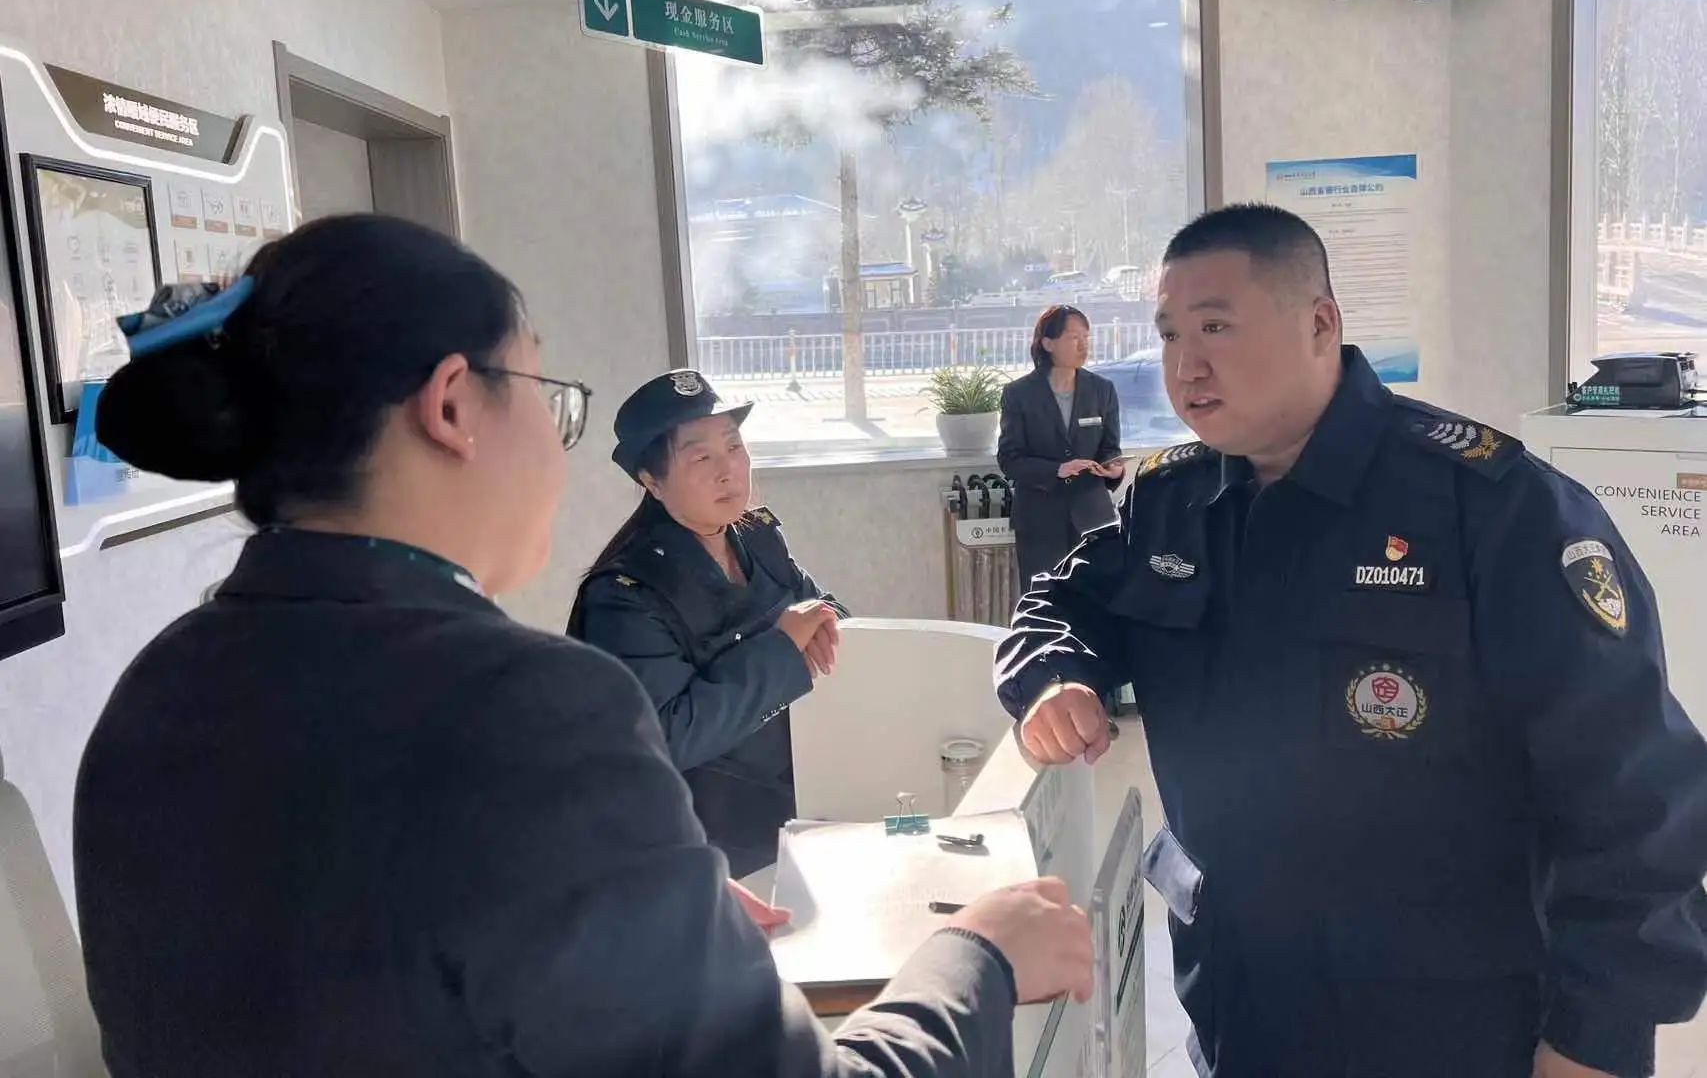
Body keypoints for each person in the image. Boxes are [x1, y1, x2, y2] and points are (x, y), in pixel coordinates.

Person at [74, 213, 1093, 1077]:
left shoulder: (158, 687)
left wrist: (633, 885)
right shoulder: (532, 707)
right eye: (543, 390)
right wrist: (978, 957)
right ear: (452, 406)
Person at [995, 203, 1707, 1078]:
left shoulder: (1490, 508)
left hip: (1450, 1021)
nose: (1185, 365)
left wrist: (1595, 1039)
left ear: (1320, 324)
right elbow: (1065, 599)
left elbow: (1635, 795)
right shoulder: (1171, 502)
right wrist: (1051, 677)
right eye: (1169, 334)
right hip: (1239, 997)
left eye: (1216, 326)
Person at [569, 370, 844, 878]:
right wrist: (782, 647)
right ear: (651, 481)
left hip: (796, 801)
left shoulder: (758, 536)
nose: (728, 470)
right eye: (701, 458)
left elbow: (823, 610)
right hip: (700, 842)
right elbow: (668, 735)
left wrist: (827, 621)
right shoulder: (624, 595)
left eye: (734, 447)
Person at [997, 304, 1125, 585]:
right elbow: (1009, 459)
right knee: (1043, 598)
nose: (1083, 345)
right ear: (1048, 343)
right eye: (1074, 337)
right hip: (1040, 519)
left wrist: (1114, 468)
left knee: (1096, 599)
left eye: (1086, 337)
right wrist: (1057, 469)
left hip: (1093, 517)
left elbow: (1110, 448)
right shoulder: (1019, 394)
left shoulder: (1102, 389)